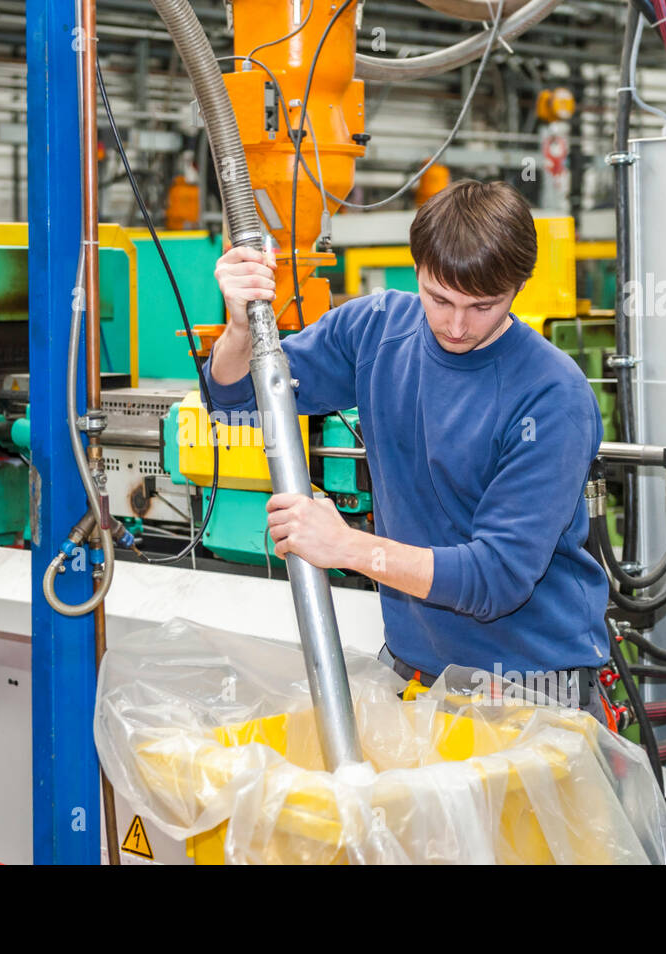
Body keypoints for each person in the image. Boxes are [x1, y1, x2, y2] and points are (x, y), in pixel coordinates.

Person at [206, 179, 616, 726]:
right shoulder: (375, 329)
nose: (455, 324)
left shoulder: (551, 395)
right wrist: (239, 328)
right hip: (413, 675)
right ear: (417, 268)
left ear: (519, 286)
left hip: (529, 691)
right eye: (439, 297)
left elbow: (494, 579)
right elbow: (236, 399)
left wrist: (349, 548)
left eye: (482, 306)